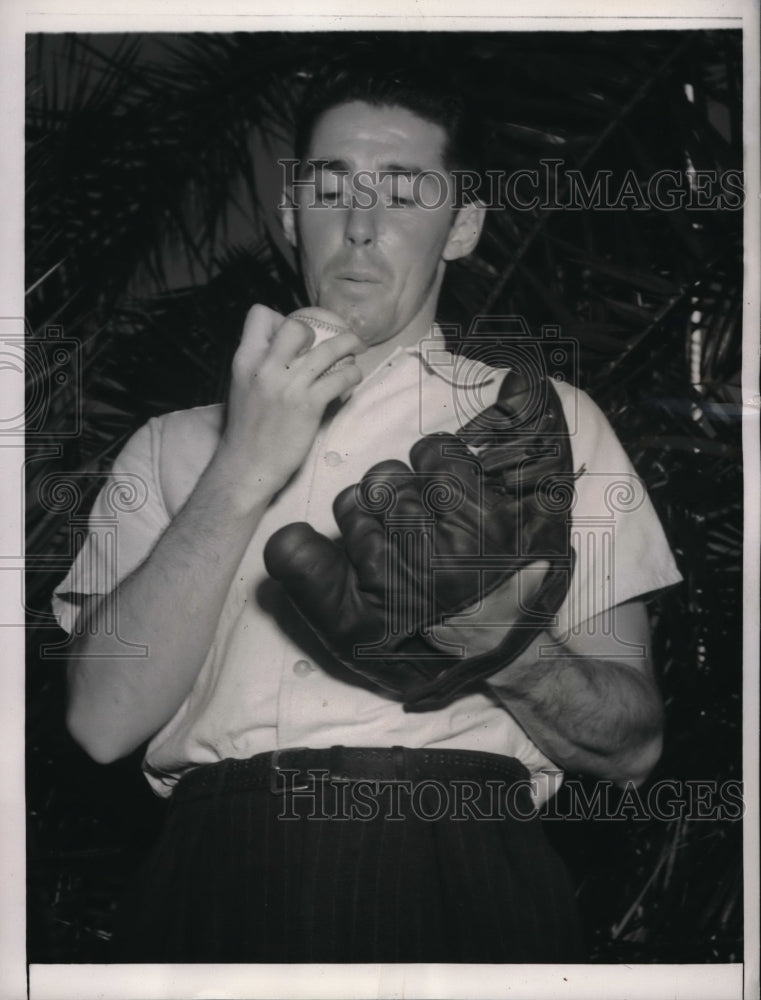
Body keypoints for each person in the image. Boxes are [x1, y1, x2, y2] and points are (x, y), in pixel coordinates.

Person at [53, 61, 682, 964]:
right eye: (330, 186)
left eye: (403, 191)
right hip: (211, 876)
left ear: (461, 226)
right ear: (289, 214)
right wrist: (242, 468)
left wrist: (501, 647)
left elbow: (631, 745)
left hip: (460, 862)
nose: (358, 224)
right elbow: (101, 722)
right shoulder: (168, 445)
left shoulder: (548, 422)